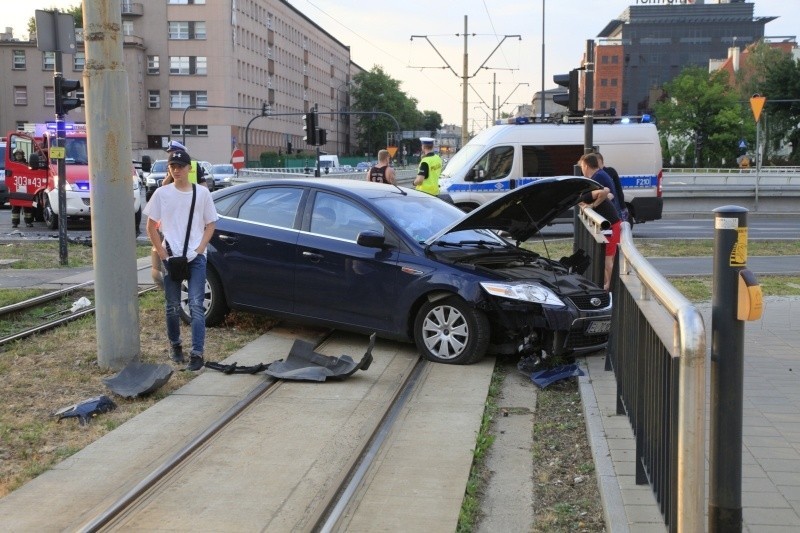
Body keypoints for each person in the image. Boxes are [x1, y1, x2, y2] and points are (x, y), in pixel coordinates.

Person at [144, 149, 218, 371]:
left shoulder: (201, 194)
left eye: (180, 166)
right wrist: (162, 253)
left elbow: (211, 223)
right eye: (172, 167)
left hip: (196, 257)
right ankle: (175, 345)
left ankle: (197, 353)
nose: (176, 170)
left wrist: (200, 247)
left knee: (196, 304)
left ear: (189, 168)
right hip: (171, 256)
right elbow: (150, 226)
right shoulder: (162, 194)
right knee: (173, 306)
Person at [579, 153, 622, 292]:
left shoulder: (596, 178)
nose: (581, 170)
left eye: (581, 167)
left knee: (608, 257)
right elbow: (608, 194)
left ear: (586, 165)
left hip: (610, 223)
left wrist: (592, 205)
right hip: (609, 222)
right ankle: (608, 284)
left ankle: (611, 286)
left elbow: (606, 192)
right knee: (607, 256)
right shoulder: (599, 176)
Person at [595, 152, 629, 222]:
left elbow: (618, 190)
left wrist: (623, 207)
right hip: (612, 206)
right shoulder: (607, 171)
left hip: (612, 206)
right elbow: (619, 190)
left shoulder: (604, 173)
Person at [10, 150, 34, 228]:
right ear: (15, 155)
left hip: (25, 187)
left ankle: (28, 222)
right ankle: (15, 223)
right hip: (15, 187)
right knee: (15, 207)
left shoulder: (27, 165)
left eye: (20, 154)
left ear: (22, 155)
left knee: (27, 206)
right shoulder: (12, 164)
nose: (19, 155)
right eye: (17, 154)